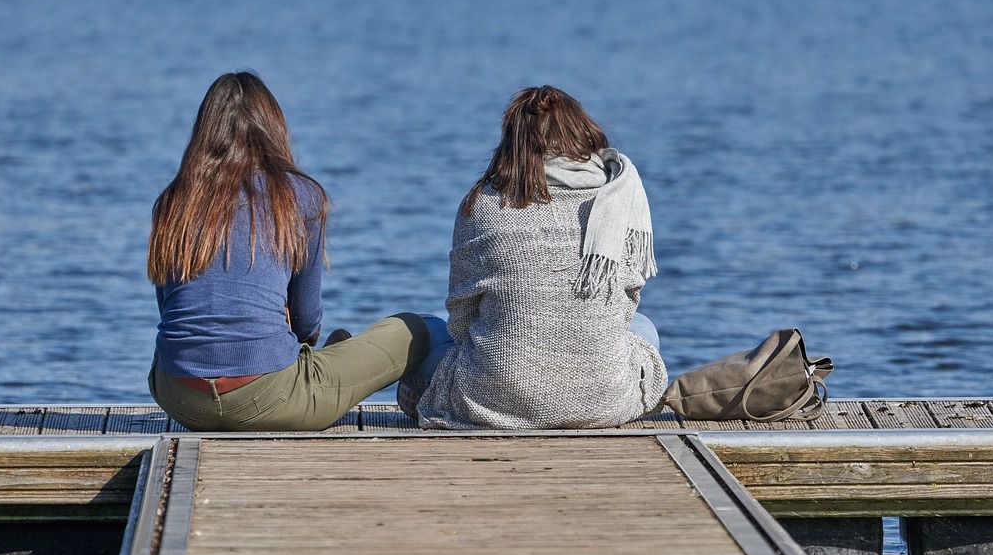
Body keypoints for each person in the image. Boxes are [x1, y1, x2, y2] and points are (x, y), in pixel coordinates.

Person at [147, 72, 428, 431]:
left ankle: (323, 362)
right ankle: (332, 364)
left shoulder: (173, 200)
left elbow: (172, 312)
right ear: (272, 126)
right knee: (415, 329)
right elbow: (307, 322)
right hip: (269, 398)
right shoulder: (300, 195)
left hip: (178, 396)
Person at [400, 86, 668, 429]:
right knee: (644, 328)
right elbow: (626, 306)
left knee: (423, 331)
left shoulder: (484, 205)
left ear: (513, 142)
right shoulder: (617, 199)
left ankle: (425, 399)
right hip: (604, 400)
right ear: (583, 134)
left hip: (492, 398)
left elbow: (461, 319)